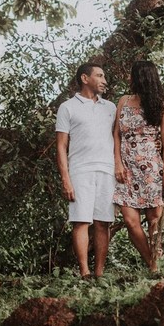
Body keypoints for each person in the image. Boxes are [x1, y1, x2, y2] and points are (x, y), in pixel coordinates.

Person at [55, 62, 117, 279]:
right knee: (81, 220)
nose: (104, 81)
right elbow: (61, 146)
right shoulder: (67, 107)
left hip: (107, 170)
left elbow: (120, 139)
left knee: (103, 222)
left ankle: (99, 273)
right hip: (80, 170)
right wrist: (66, 178)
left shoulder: (110, 107)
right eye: (99, 76)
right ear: (84, 78)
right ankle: (84, 273)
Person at [112, 60, 164, 273]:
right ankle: (152, 263)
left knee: (154, 220)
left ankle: (155, 266)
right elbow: (116, 135)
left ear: (141, 77)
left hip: (152, 170)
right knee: (130, 221)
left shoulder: (162, 107)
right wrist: (117, 163)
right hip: (126, 169)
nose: (129, 78)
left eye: (132, 75)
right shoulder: (124, 101)